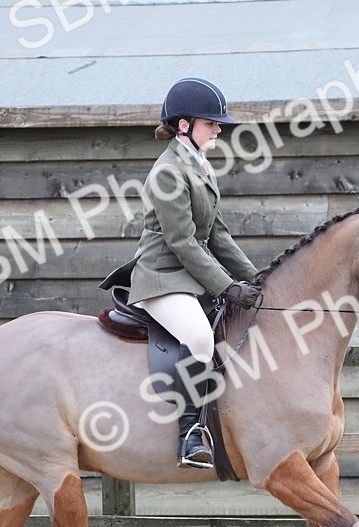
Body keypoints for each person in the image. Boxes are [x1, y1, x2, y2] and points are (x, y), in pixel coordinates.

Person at [100, 77, 262, 469]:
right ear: (184, 125)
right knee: (199, 337)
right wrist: (226, 285)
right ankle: (191, 433)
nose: (219, 129)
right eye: (211, 123)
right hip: (162, 276)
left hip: (188, 277)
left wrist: (256, 278)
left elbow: (217, 233)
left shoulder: (200, 165)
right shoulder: (168, 172)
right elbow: (183, 242)